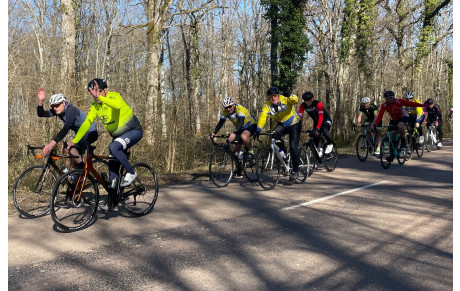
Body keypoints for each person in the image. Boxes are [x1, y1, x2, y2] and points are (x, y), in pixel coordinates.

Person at [69, 78, 143, 211]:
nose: (94, 95)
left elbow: (117, 106)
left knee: (113, 147)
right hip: (118, 136)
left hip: (133, 131)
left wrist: (101, 98)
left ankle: (131, 172)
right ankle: (112, 201)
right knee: (112, 169)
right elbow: (86, 123)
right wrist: (74, 141)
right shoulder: (95, 106)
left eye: (97, 92)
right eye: (92, 93)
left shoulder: (114, 96)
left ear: (105, 91)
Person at [36, 88, 98, 168]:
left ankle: (82, 168)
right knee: (73, 161)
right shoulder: (58, 110)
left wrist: (51, 145)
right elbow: (41, 114)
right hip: (81, 134)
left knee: (68, 145)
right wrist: (40, 101)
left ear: (64, 103)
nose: (55, 108)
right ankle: (78, 173)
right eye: (53, 106)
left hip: (90, 132)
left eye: (57, 105)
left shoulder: (71, 110)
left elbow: (65, 129)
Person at [254, 86, 302, 182]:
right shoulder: (267, 105)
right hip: (282, 124)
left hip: (294, 123)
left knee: (293, 146)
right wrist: (258, 129)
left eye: (275, 96)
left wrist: (290, 95)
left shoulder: (285, 99)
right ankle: (284, 156)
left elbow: (295, 101)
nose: (273, 98)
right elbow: (263, 117)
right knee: (274, 136)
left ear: (278, 95)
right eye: (270, 96)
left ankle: (295, 171)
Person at [210, 96, 257, 178]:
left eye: (230, 107)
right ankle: (239, 169)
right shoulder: (225, 112)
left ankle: (250, 151)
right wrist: (214, 133)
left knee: (244, 136)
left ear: (234, 105)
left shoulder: (239, 109)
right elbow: (221, 122)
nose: (228, 109)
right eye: (226, 107)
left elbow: (241, 122)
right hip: (240, 128)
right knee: (235, 149)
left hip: (250, 125)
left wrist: (235, 133)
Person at [372, 90, 426, 160]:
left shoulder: (399, 101)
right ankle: (392, 155)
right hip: (393, 119)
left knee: (400, 126)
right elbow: (380, 116)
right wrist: (375, 123)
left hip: (403, 117)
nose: (389, 99)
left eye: (390, 97)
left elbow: (414, 106)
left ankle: (403, 140)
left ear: (393, 97)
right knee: (392, 136)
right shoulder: (384, 105)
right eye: (387, 98)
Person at [298, 91, 334, 155]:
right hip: (316, 122)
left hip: (325, 120)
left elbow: (321, 117)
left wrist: (317, 128)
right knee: (314, 136)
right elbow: (299, 117)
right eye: (305, 100)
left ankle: (330, 143)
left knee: (324, 130)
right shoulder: (302, 106)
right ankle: (319, 150)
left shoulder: (318, 104)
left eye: (308, 100)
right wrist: (297, 126)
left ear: (312, 99)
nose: (307, 102)